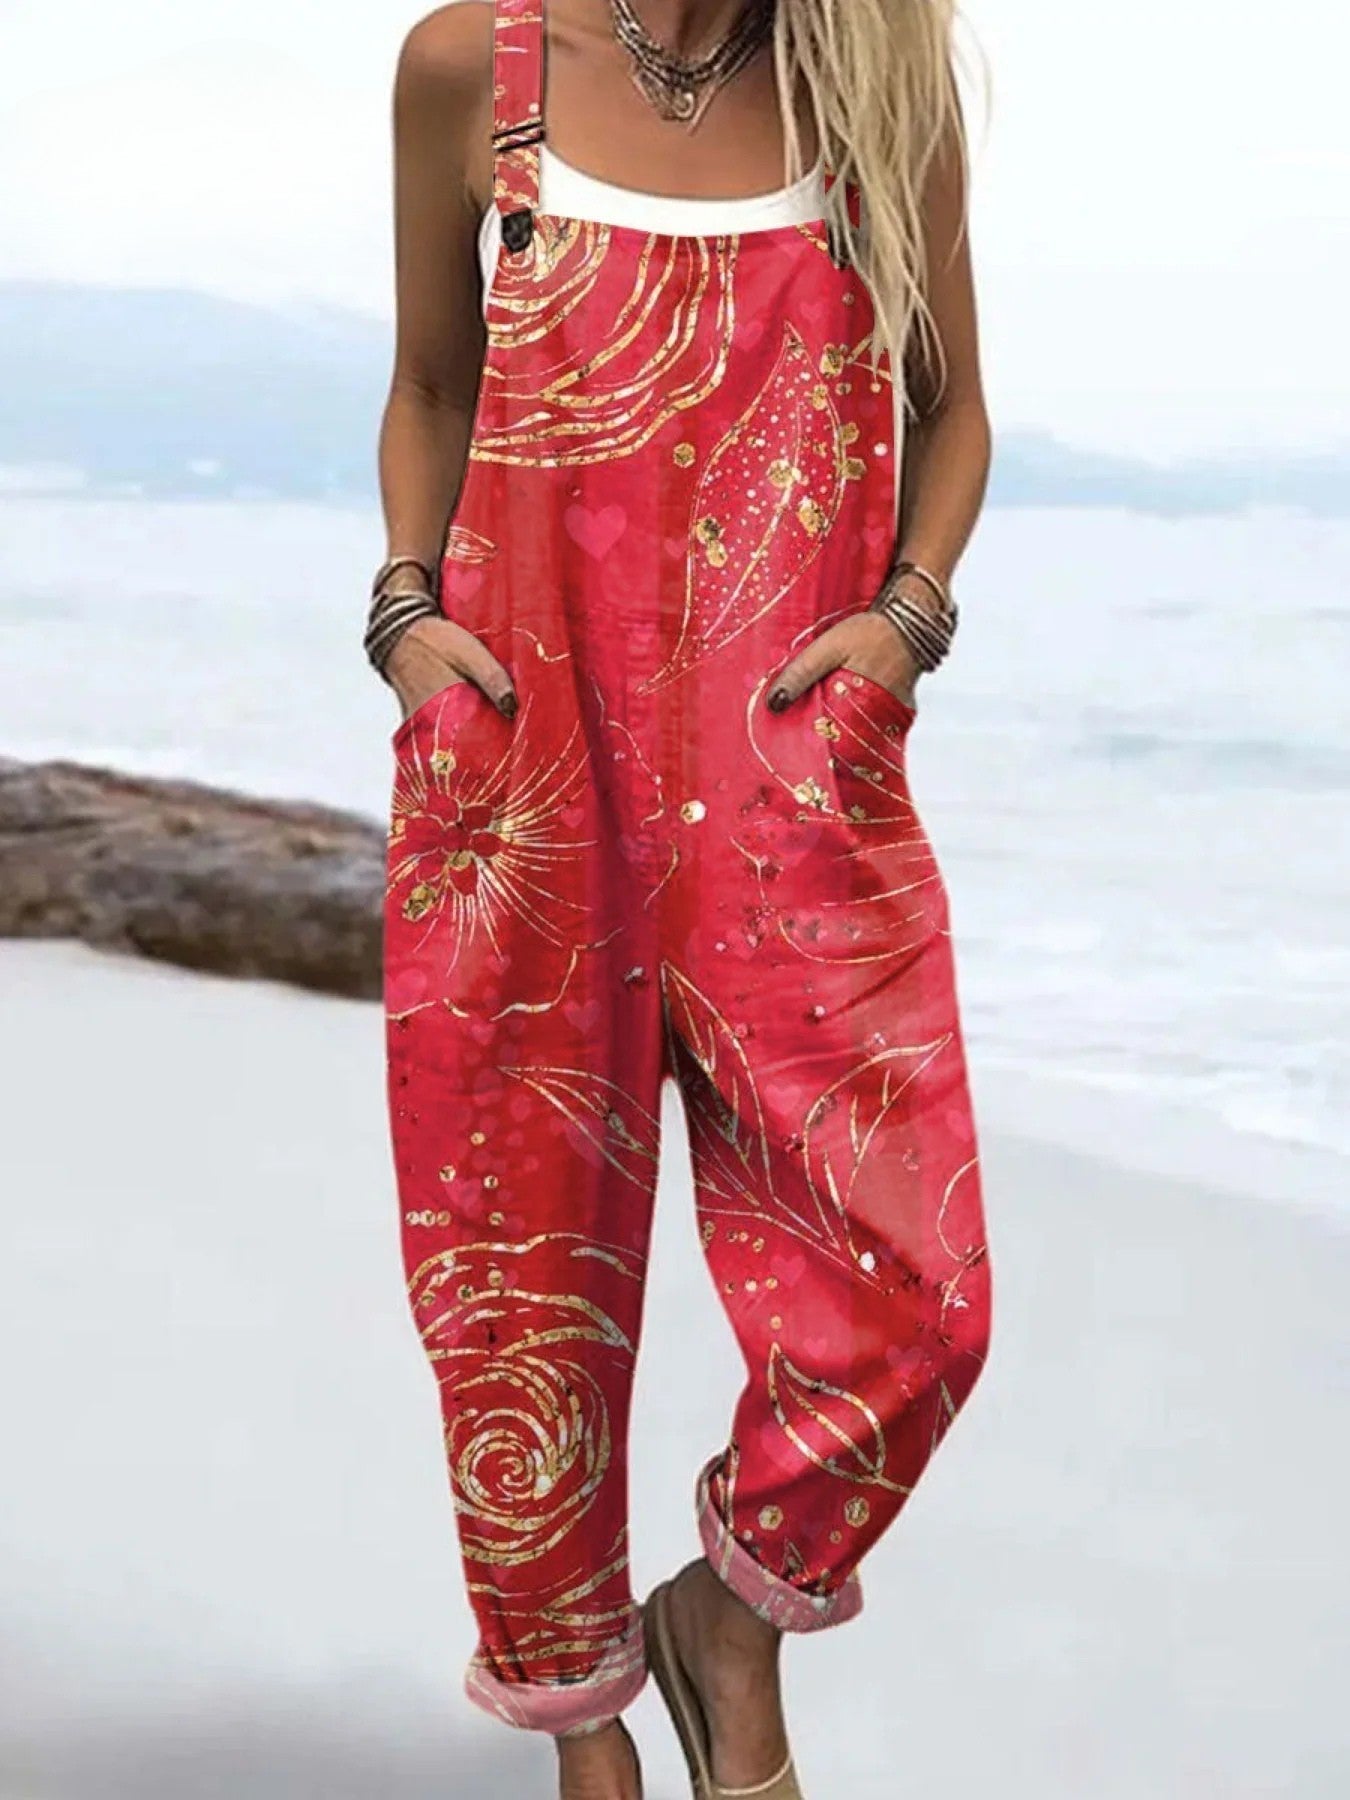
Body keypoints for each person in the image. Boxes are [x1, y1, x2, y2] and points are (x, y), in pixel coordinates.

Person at [368, 2, 993, 1794]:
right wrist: (405, 621)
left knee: (917, 1298)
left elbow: (950, 410)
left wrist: (904, 629)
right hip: (522, 765)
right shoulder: (473, 71)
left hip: (789, 773)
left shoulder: (872, 89)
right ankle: (583, 1730)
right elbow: (432, 388)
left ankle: (727, 1618)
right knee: (519, 1286)